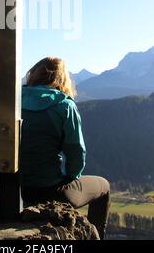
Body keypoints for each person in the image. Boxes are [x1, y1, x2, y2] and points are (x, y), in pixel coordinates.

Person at [20, 57, 110, 240]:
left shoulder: (13, 100)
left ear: (33, 74)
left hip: (16, 190)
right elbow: (76, 152)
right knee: (104, 186)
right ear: (62, 79)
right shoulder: (64, 105)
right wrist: (70, 177)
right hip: (49, 190)